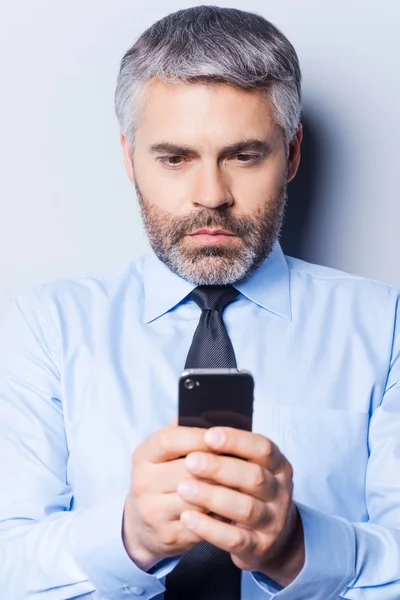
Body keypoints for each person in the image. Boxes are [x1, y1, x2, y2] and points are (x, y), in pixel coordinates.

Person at [1, 5, 400, 599]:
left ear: (290, 156)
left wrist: (296, 548)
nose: (211, 196)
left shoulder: (384, 325)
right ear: (128, 160)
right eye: (175, 158)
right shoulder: (45, 327)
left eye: (244, 155)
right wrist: (129, 540)